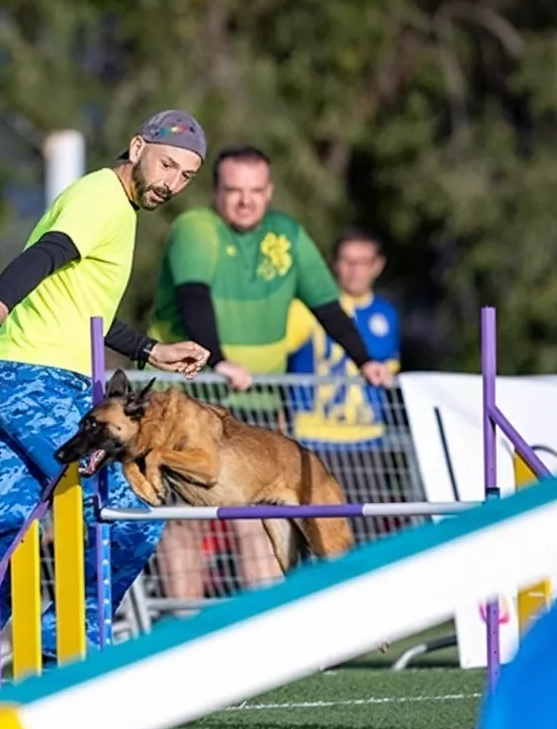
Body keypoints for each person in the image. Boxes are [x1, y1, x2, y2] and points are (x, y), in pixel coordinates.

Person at [0, 110, 212, 722]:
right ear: (137, 146)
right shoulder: (102, 197)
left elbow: (82, 309)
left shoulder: (114, 208)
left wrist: (152, 351)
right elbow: (49, 255)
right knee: (128, 511)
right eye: (166, 165)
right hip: (38, 384)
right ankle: (66, 664)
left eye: (185, 176)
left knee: (8, 543)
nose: (172, 183)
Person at [146, 144, 396, 597]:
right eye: (234, 190)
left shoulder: (286, 235)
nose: (245, 200)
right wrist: (217, 359)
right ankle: (185, 635)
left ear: (270, 191)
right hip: (186, 398)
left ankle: (263, 635)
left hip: (255, 405)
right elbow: (194, 299)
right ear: (217, 192)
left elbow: (327, 306)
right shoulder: (195, 229)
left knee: (258, 515)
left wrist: (366, 361)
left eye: (256, 190)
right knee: (183, 518)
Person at [285, 228, 405, 513]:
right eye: (347, 261)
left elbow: (390, 367)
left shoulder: (386, 314)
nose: (354, 271)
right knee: (318, 528)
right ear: (334, 263)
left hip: (366, 441)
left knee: (367, 531)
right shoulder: (307, 309)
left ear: (377, 265)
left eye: (362, 262)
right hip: (313, 439)